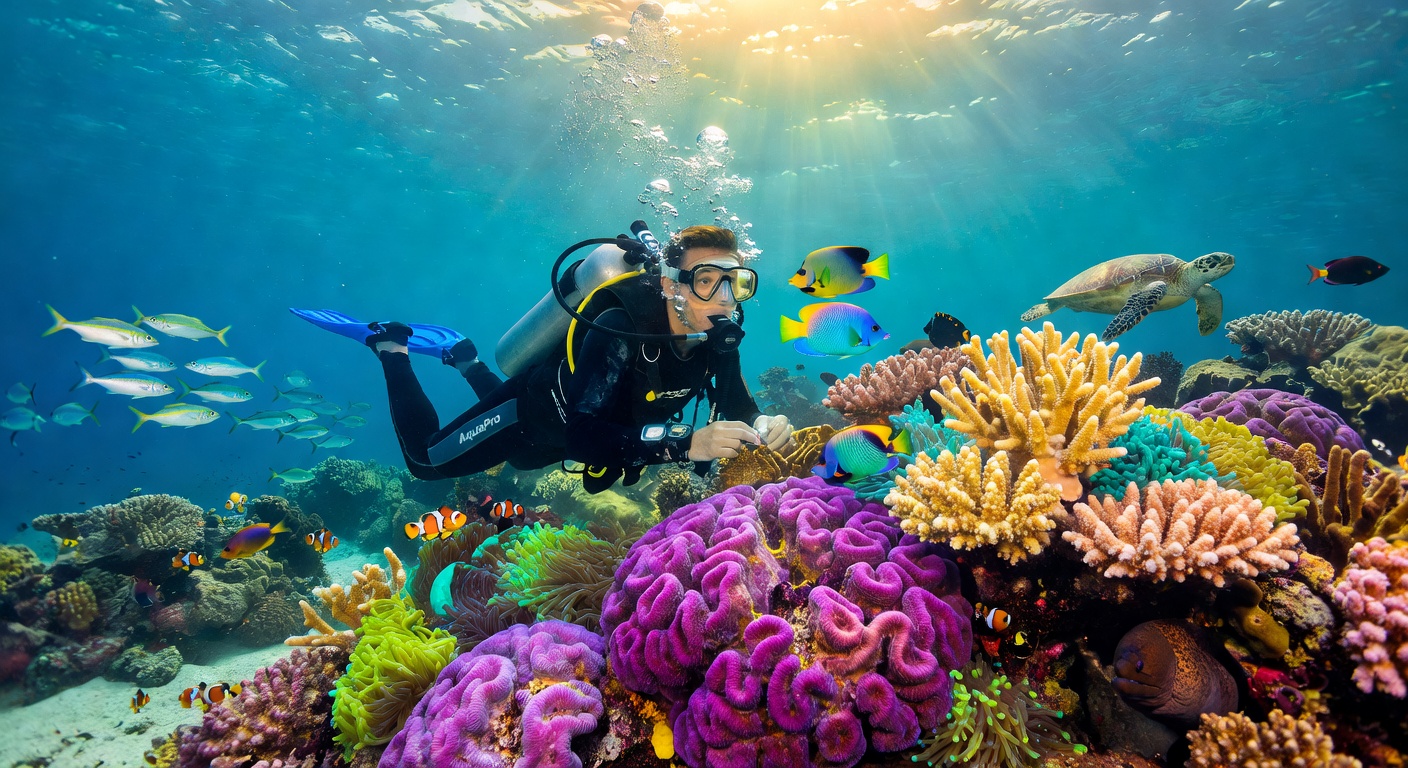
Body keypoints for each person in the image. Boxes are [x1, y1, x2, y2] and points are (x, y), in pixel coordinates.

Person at [365, 225, 793, 493]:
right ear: (670, 285)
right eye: (705, 281)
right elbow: (583, 435)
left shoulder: (717, 332)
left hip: (564, 443)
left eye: (735, 283)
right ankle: (392, 348)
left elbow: (737, 400)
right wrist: (688, 445)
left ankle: (467, 362)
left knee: (520, 461)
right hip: (534, 415)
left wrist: (762, 422)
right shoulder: (620, 327)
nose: (723, 299)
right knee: (426, 463)